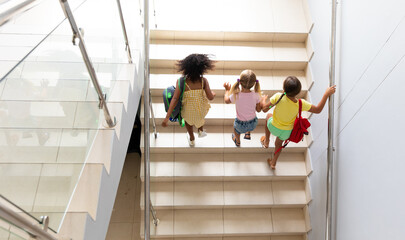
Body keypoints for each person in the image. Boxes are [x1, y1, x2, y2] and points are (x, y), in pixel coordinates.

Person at [260, 76, 336, 169]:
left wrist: (263, 100)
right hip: (286, 133)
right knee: (278, 145)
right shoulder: (301, 103)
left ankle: (266, 141)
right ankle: (273, 163)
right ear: (298, 91)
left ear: (284, 88)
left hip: (274, 127)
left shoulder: (278, 96)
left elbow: (264, 109)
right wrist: (326, 94)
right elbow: (318, 109)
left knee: (268, 116)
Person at [162, 53, 216, 146]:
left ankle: (192, 138)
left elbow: (175, 99)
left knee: (188, 123)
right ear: (202, 69)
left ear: (185, 68)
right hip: (201, 111)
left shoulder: (181, 82)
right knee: (200, 119)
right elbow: (210, 97)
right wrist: (214, 93)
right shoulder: (204, 81)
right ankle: (200, 130)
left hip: (187, 112)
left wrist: (167, 117)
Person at [224, 69, 264, 147]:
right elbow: (258, 110)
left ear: (240, 82)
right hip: (253, 123)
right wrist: (262, 101)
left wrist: (227, 91)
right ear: (253, 84)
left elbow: (226, 100)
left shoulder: (236, 95)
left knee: (236, 131)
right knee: (249, 118)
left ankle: (238, 141)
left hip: (240, 124)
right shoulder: (256, 95)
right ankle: (247, 134)